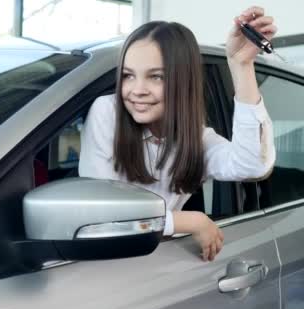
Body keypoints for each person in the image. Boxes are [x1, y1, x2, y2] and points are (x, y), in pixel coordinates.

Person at [79, 6, 277, 262]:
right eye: (128, 76)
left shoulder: (196, 139)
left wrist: (241, 65)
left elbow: (253, 164)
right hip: (109, 265)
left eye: (156, 77)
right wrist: (190, 221)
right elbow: (102, 216)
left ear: (182, 82)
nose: (137, 90)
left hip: (159, 268)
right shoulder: (108, 111)